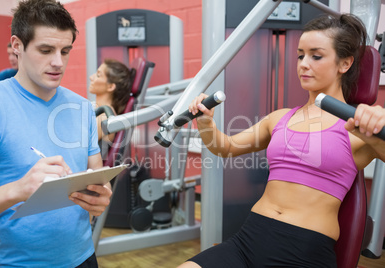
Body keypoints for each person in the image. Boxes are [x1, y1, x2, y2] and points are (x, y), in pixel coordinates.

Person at [179, 14, 385, 268]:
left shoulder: (358, 128)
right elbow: (225, 147)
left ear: (344, 64)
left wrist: (379, 126)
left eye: (316, 56)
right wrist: (206, 122)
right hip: (249, 239)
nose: (303, 64)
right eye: (300, 55)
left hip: (304, 251)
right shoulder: (279, 119)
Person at [0, 0, 111, 267]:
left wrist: (101, 196)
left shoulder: (81, 107)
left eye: (65, 51)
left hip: (83, 258)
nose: (58, 62)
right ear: (17, 45)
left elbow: (97, 179)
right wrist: (19, 189)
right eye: (46, 50)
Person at [89, 59, 133, 159]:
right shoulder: (97, 110)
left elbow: (76, 146)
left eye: (98, 75)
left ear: (110, 86)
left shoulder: (105, 117)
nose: (91, 77)